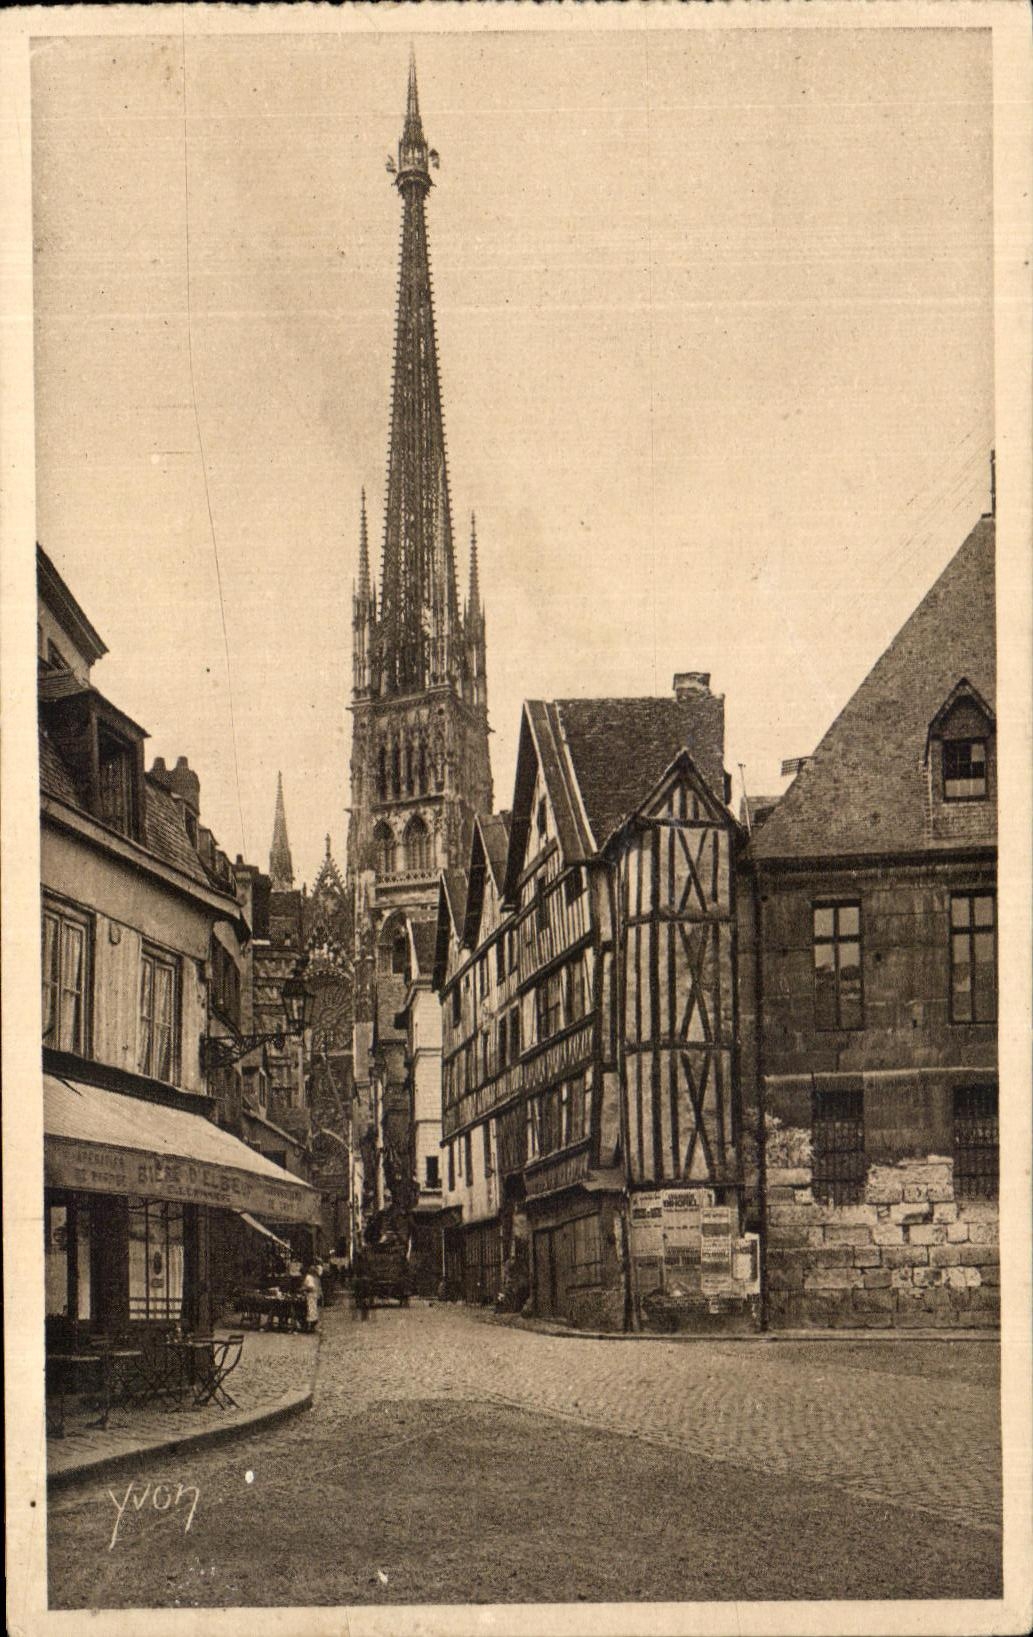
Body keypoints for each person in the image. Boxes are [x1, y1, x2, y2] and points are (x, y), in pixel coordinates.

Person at [301, 1265, 321, 1332]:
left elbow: (311, 1287)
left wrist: (303, 1289)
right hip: (314, 1295)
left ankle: (311, 1327)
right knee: (313, 1310)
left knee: (311, 1310)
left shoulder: (309, 1277)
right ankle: (312, 1326)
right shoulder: (314, 1277)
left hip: (311, 1295)